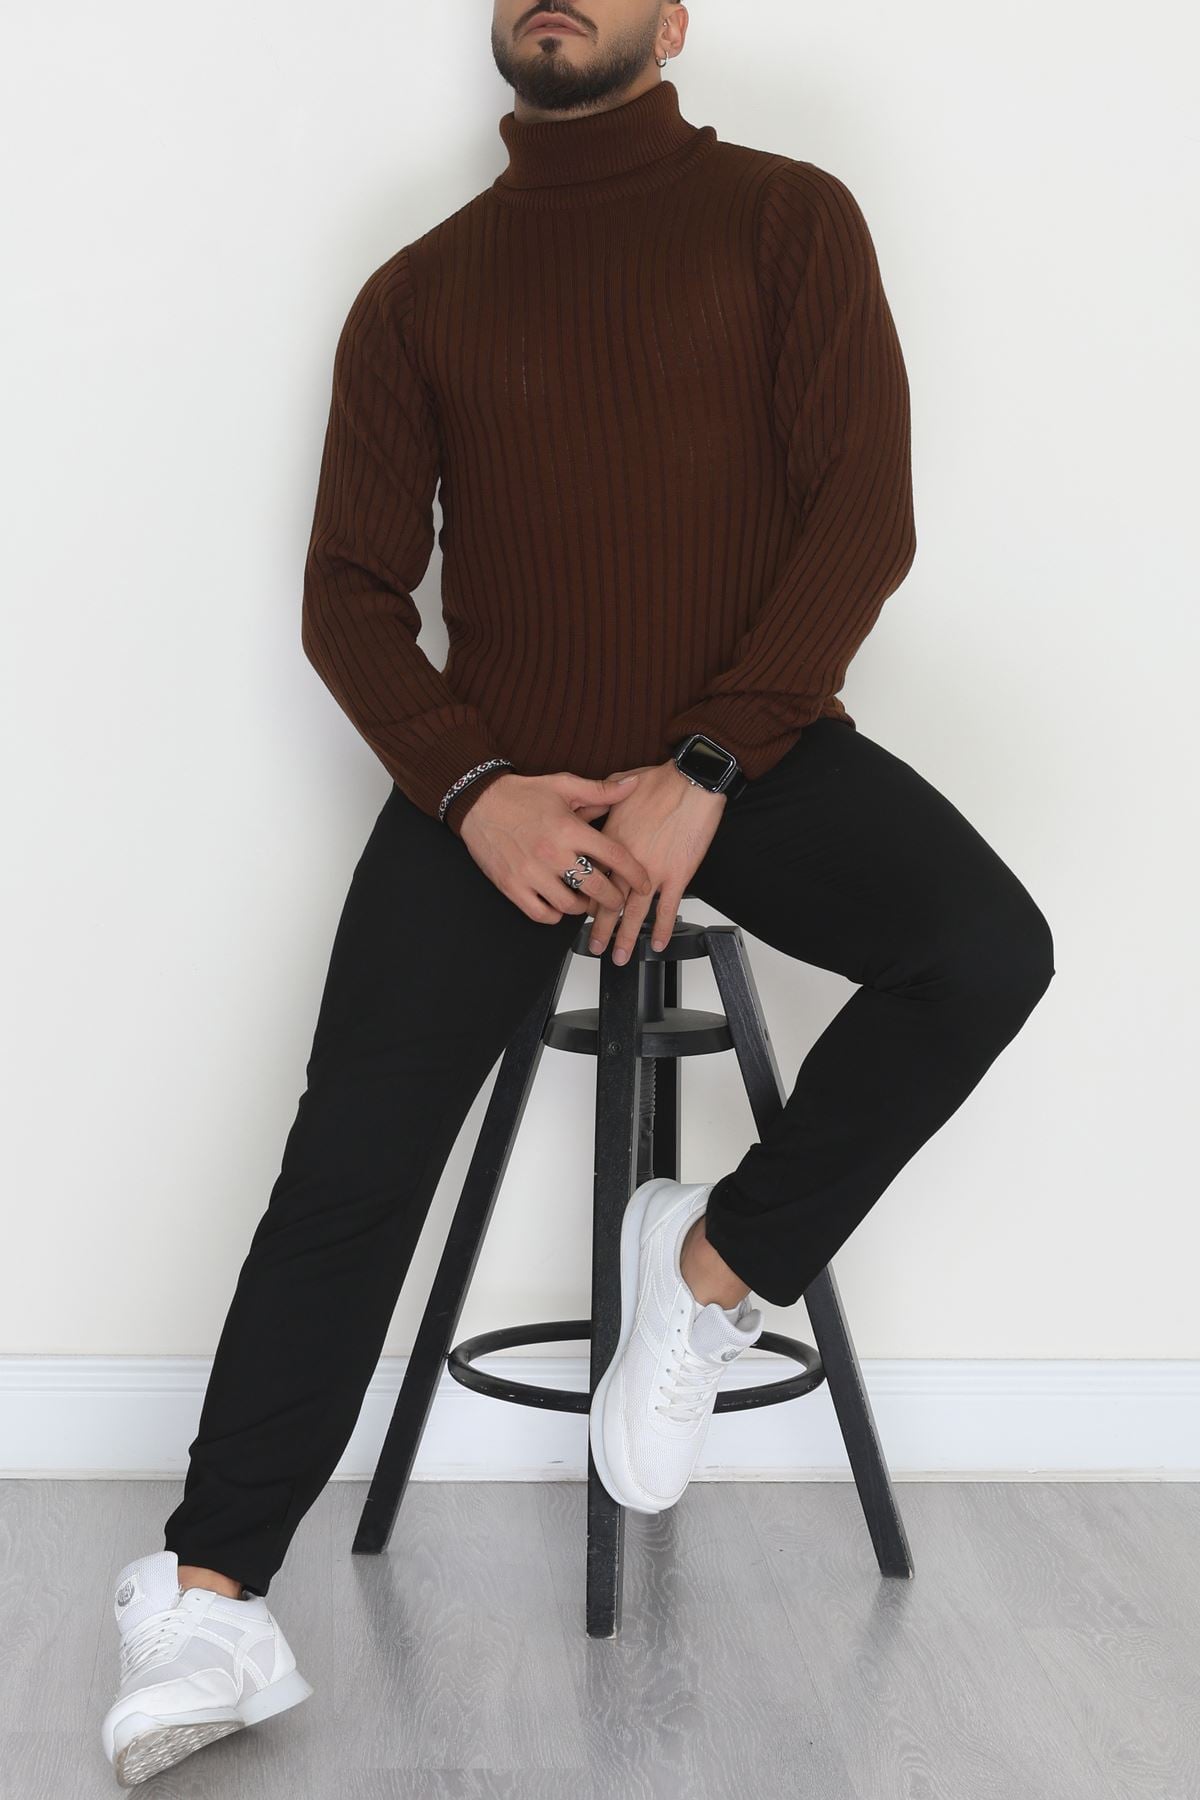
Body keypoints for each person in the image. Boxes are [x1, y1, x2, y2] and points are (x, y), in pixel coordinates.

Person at [101, 3, 1055, 1784]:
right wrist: (472, 792)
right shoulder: (417, 291)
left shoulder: (789, 217)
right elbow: (350, 593)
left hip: (750, 762)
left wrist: (708, 765)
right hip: (504, 790)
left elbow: (862, 516)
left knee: (986, 951)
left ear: (672, 22)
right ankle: (213, 1594)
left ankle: (706, 1269)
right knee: (348, 1168)